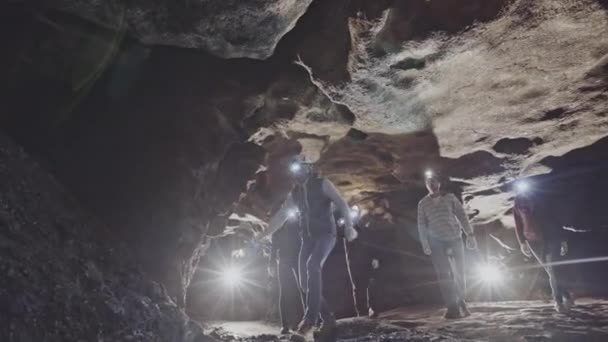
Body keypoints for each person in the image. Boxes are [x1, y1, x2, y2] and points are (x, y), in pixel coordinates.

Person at [257, 155, 358, 335]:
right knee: (304, 284)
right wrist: (261, 235)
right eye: (294, 168)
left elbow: (342, 204)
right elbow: (281, 216)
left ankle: (310, 320)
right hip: (308, 239)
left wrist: (349, 226)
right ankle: (328, 318)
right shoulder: (294, 193)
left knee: (313, 266)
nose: (296, 171)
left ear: (309, 167)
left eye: (300, 167)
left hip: (326, 235)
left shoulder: (322, 184)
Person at [417, 171, 477, 319]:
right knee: (443, 274)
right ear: (426, 186)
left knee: (459, 272)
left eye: (434, 181)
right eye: (429, 182)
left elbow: (462, 215)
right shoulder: (423, 203)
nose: (432, 184)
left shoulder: (450, 198)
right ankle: (452, 307)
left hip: (454, 238)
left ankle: (461, 301)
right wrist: (424, 242)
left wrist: (470, 234)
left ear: (439, 183)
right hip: (436, 241)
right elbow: (421, 224)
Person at [512, 180, 574, 313]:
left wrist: (563, 239)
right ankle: (566, 295)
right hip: (533, 239)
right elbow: (518, 224)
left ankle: (558, 302)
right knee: (550, 270)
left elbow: (556, 219)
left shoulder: (543, 200)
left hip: (552, 237)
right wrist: (522, 242)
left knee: (553, 269)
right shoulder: (517, 204)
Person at [269, 205, 304, 334]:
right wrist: (271, 262)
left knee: (302, 289)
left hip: (297, 258)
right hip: (284, 260)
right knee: (285, 292)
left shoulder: (298, 222)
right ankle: (285, 325)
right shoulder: (279, 225)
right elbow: (274, 243)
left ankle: (302, 322)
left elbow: (305, 235)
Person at [340, 216, 381, 318]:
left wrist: (375, 257)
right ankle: (362, 313)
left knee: (371, 283)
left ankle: (373, 308)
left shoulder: (365, 227)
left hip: (368, 259)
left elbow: (372, 242)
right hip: (354, 262)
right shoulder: (347, 228)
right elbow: (346, 235)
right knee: (359, 287)